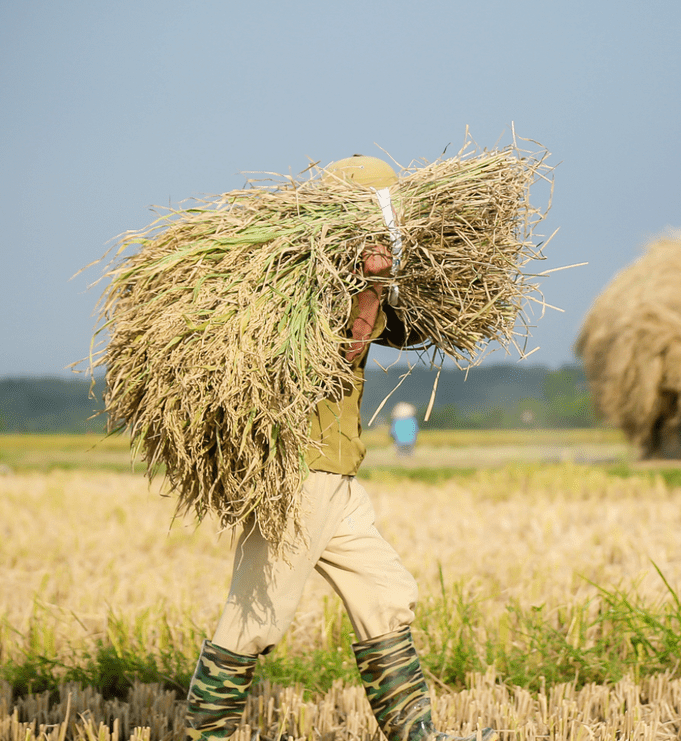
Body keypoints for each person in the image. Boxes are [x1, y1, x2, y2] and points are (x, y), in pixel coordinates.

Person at [185, 155, 494, 741]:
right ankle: (207, 733)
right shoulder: (308, 285)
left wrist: (440, 285)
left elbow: (414, 328)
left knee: (387, 595)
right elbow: (341, 353)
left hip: (337, 471)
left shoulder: (360, 283)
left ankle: (416, 734)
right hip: (296, 473)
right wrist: (370, 293)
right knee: (255, 617)